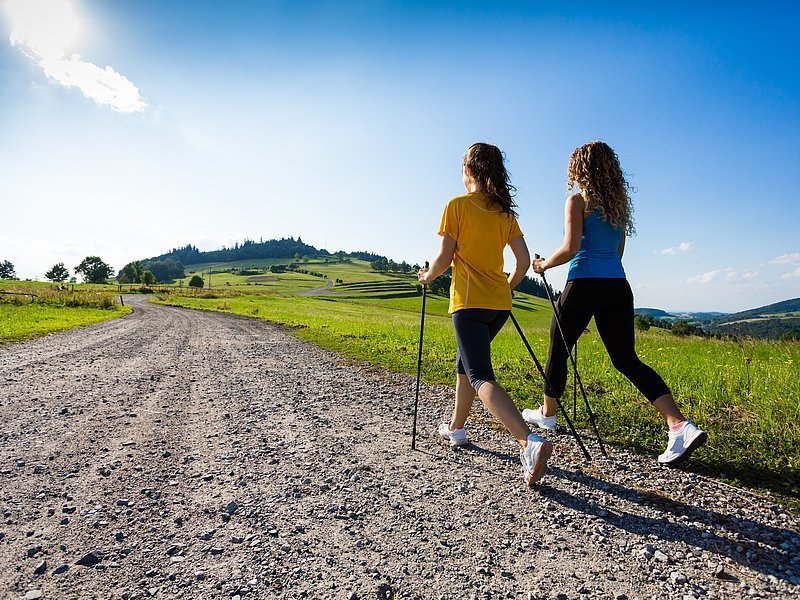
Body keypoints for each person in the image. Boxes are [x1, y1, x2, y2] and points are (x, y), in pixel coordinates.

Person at [524, 140, 707, 465]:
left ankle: (547, 415)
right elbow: (618, 252)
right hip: (617, 285)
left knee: (557, 345)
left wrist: (542, 266)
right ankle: (679, 425)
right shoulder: (617, 206)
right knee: (626, 359)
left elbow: (570, 247)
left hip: (583, 282)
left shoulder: (577, 201)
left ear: (579, 169)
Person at [418, 142, 552, 486]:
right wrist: (506, 287)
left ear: (469, 170)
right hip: (499, 305)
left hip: (468, 303)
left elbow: (444, 258)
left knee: (479, 375)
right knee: (465, 364)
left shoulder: (456, 206)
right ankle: (456, 428)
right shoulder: (506, 214)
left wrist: (426, 276)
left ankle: (529, 442)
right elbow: (522, 262)